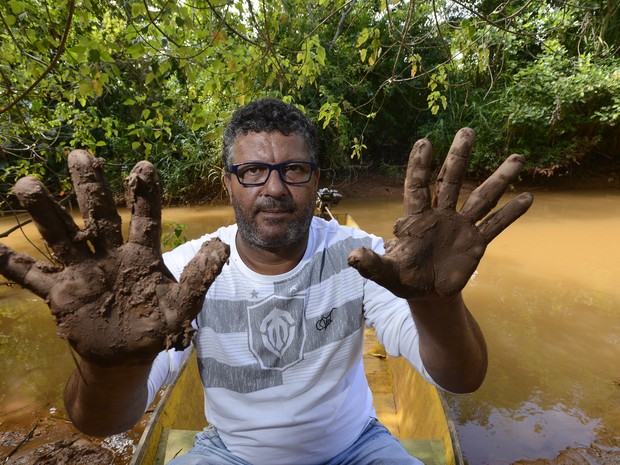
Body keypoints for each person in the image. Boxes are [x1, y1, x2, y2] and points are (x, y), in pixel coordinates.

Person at [0, 98, 533, 465]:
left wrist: (438, 303)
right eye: (253, 171)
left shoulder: (369, 259)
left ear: (316, 179)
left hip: (355, 447)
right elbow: (102, 423)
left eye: (293, 170)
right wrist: (109, 363)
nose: (274, 188)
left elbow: (462, 379)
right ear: (229, 182)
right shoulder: (179, 277)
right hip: (228, 451)